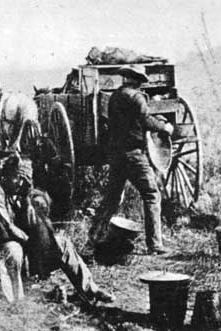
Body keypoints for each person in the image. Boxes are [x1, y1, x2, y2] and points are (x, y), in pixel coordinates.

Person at [0, 155, 115, 304]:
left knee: (62, 243)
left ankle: (90, 291)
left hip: (1, 260)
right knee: (14, 249)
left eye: (25, 180)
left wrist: (26, 200)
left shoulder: (18, 197)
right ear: (5, 175)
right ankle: (17, 304)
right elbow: (9, 230)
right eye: (17, 177)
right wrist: (36, 245)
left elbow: (35, 226)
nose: (20, 183)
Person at [88, 65, 174, 257]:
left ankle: (93, 237)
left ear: (126, 78)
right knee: (152, 194)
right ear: (139, 80)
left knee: (111, 199)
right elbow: (145, 121)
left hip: (116, 155)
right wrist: (164, 127)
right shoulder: (137, 97)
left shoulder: (115, 96)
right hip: (134, 155)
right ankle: (155, 244)